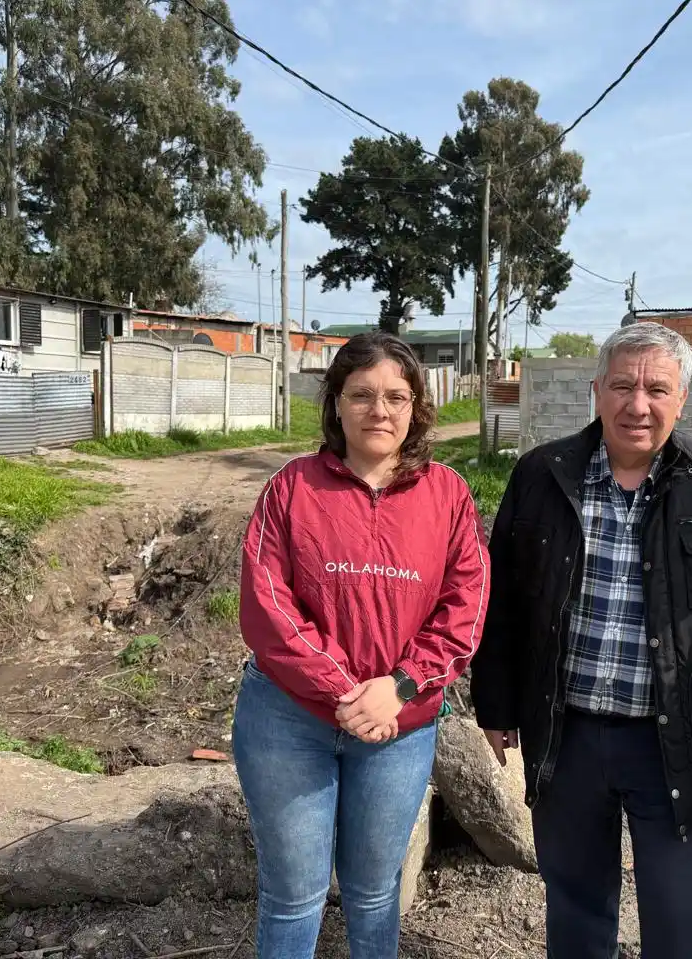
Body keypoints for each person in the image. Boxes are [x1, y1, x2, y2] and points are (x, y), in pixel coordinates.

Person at [471, 321, 692, 958]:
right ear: (597, 392)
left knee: (676, 909)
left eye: (657, 389)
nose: (639, 405)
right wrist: (495, 704)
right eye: (622, 386)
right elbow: (504, 600)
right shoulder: (543, 475)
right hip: (567, 732)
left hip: (676, 739)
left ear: (682, 399)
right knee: (576, 902)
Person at [233, 332, 489, 959]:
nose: (380, 410)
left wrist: (397, 688)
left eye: (396, 397)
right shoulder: (292, 489)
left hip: (399, 728)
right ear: (337, 404)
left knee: (375, 892)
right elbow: (266, 604)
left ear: (417, 408)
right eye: (363, 395)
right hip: (288, 721)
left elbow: (466, 607)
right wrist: (346, 692)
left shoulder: (448, 495)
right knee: (294, 894)